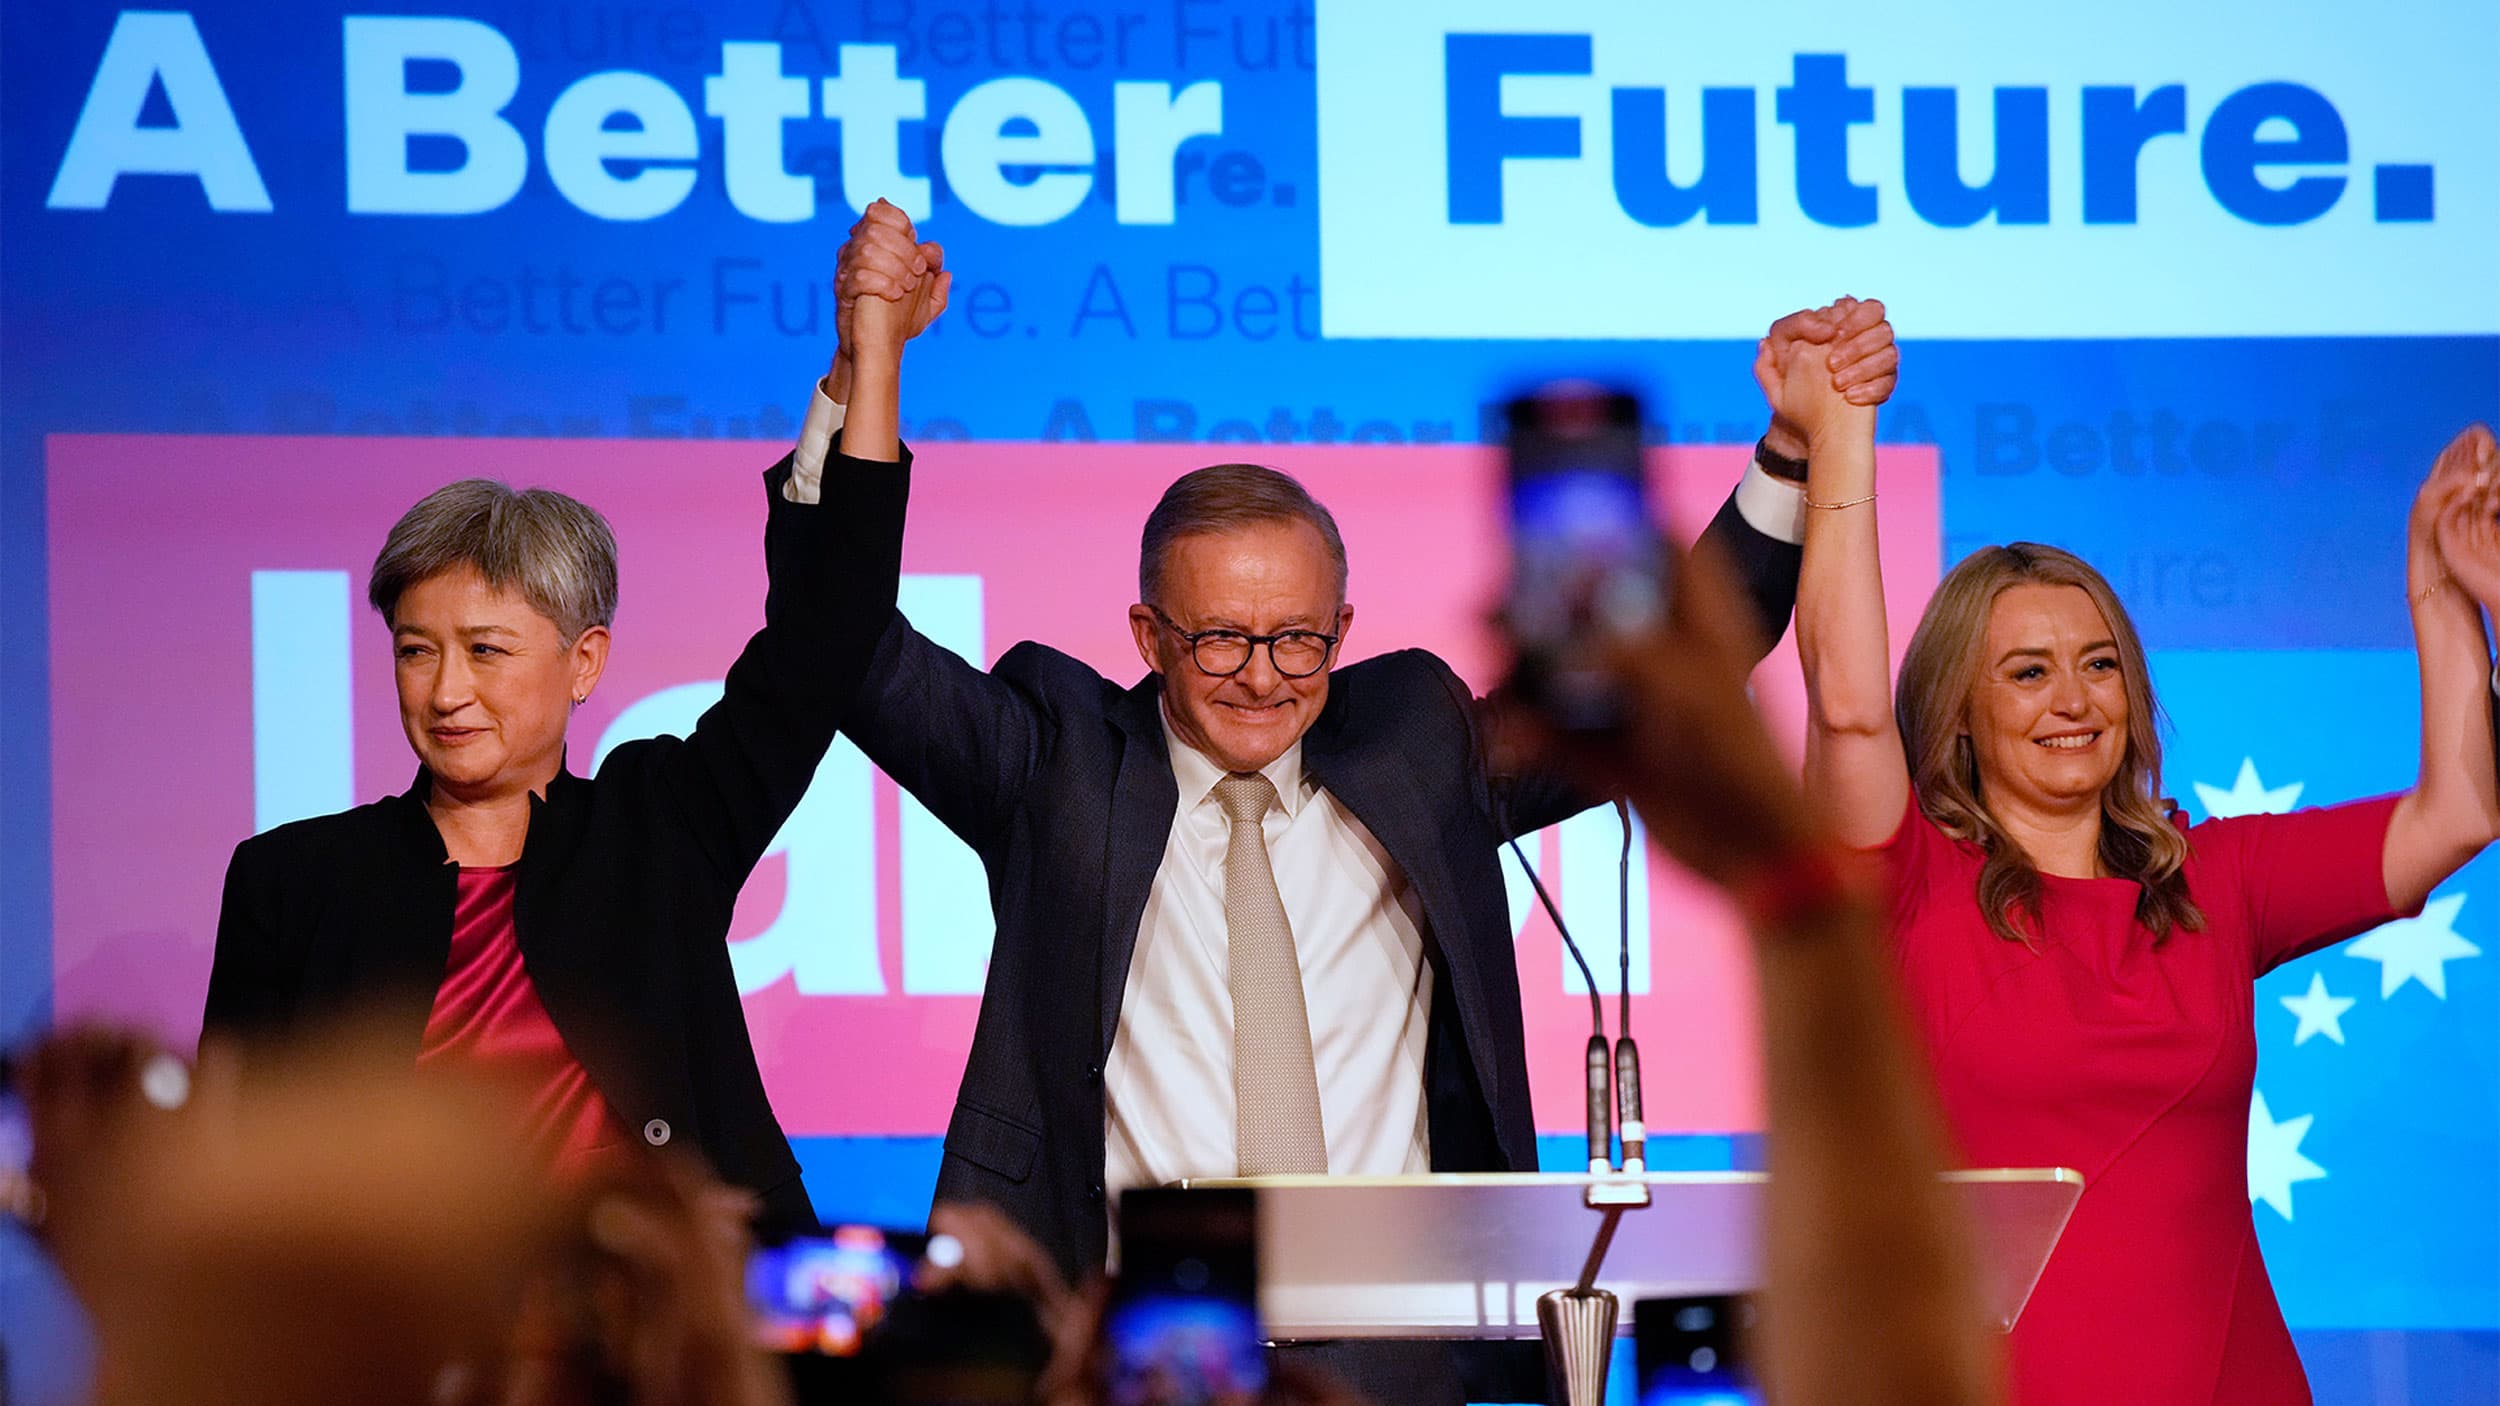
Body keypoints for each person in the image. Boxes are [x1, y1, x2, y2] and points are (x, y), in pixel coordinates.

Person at [808, 200, 1898, 1287]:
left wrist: (1792, 454)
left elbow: (1656, 685)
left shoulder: (1411, 744)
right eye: (1222, 639)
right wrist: (868, 365)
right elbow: (841, 639)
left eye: (1299, 640)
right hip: (1129, 1339)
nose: (1265, 676)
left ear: (1341, 629)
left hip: (1401, 1340)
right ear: (1148, 634)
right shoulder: (1056, 758)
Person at [1781, 300, 2500, 1404]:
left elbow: (2455, 811)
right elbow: (1845, 711)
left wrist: (2439, 589)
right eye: (2026, 671)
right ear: (1959, 712)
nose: (2073, 699)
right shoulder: (1909, 880)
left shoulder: (2214, 881)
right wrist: (1841, 433)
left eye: (2100, 663)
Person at [199, 270, 944, 1232]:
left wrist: (865, 360)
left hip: (675, 1332)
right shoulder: (291, 882)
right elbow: (230, 1180)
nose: (446, 691)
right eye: (416, 651)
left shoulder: (663, 826)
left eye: (487, 651)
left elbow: (826, 629)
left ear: (584, 661)